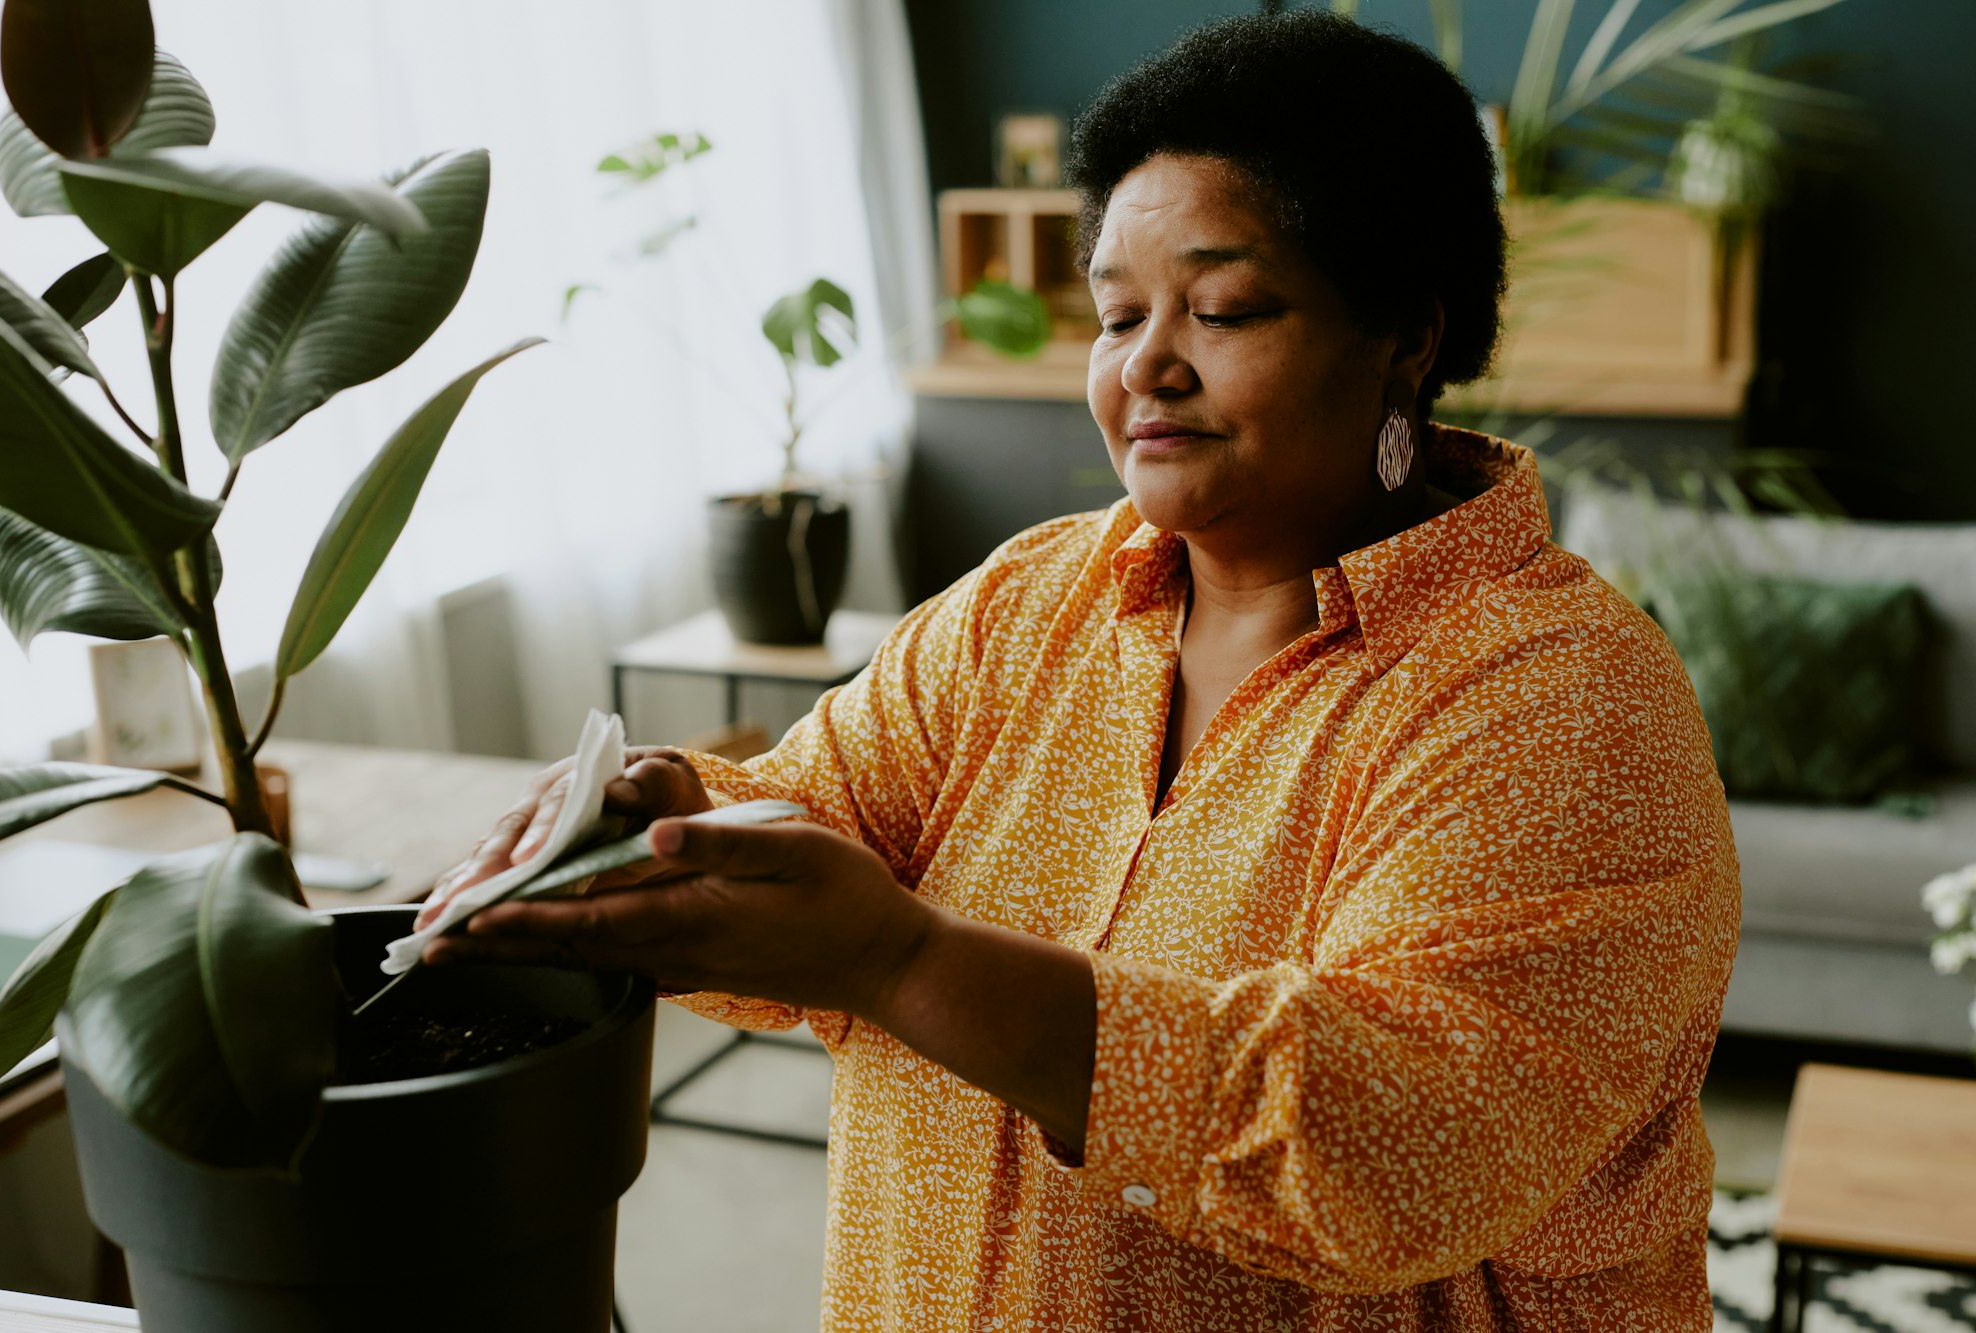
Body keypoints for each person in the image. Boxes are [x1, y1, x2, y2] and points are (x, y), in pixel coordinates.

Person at [420, 12, 1738, 1330]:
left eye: (1223, 308)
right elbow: (821, 807)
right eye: (1117, 314)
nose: (1145, 367)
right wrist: (671, 823)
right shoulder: (1032, 602)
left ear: (1403, 333)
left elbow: (1387, 1144)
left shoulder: (1560, 702)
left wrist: (897, 960)